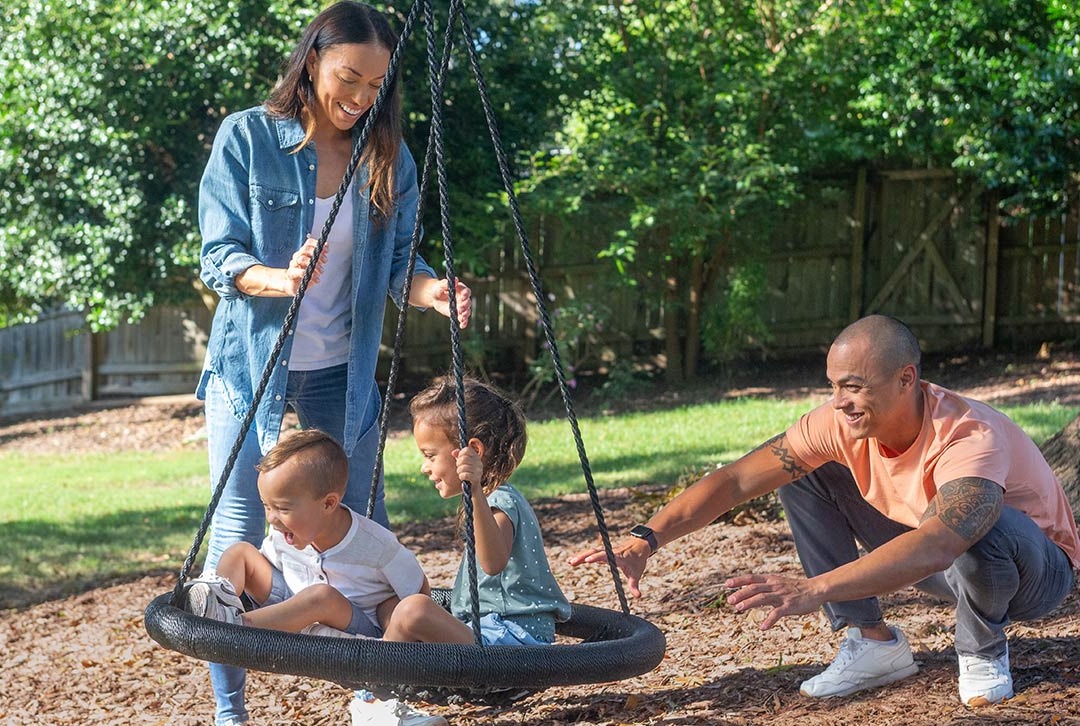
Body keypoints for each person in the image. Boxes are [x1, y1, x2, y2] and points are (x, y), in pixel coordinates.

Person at [570, 314, 1079, 708]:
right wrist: (646, 537)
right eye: (833, 385)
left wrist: (814, 588)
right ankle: (872, 641)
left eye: (853, 386)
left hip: (1033, 576)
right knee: (806, 471)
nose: (839, 402)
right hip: (939, 562)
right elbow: (735, 480)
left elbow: (942, 541)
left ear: (906, 379)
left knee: (976, 521)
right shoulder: (840, 424)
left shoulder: (969, 434)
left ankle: (983, 651)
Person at [195, 2, 470, 724]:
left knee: (362, 529)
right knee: (238, 528)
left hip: (339, 372)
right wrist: (279, 278)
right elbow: (219, 258)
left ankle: (379, 699)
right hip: (250, 364)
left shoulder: (388, 157)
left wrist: (433, 289)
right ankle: (231, 713)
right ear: (313, 58)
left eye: (375, 86)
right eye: (349, 76)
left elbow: (397, 265)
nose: (360, 98)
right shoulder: (248, 138)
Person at [379, 376, 571, 649]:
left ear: (473, 451)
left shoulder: (499, 501)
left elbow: (493, 563)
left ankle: (379, 685)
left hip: (514, 638)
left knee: (414, 611)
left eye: (430, 455)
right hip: (491, 632)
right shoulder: (492, 498)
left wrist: (475, 491)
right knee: (389, 605)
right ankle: (399, 671)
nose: (424, 467)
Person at [185, 429, 428, 639]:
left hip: (355, 630)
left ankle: (234, 628)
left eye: (282, 508)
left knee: (321, 597)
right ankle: (218, 601)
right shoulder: (284, 533)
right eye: (267, 506)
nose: (271, 518)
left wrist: (394, 633)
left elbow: (419, 596)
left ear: (328, 504)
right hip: (293, 605)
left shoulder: (377, 546)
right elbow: (261, 571)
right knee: (241, 552)